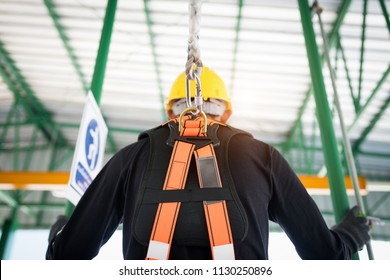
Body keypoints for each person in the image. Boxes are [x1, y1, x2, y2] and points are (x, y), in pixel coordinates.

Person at [46, 66, 370, 260]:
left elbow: (70, 255)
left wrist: (60, 232)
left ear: (170, 112)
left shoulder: (130, 159)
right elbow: (323, 254)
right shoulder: (263, 157)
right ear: (226, 112)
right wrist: (352, 233)